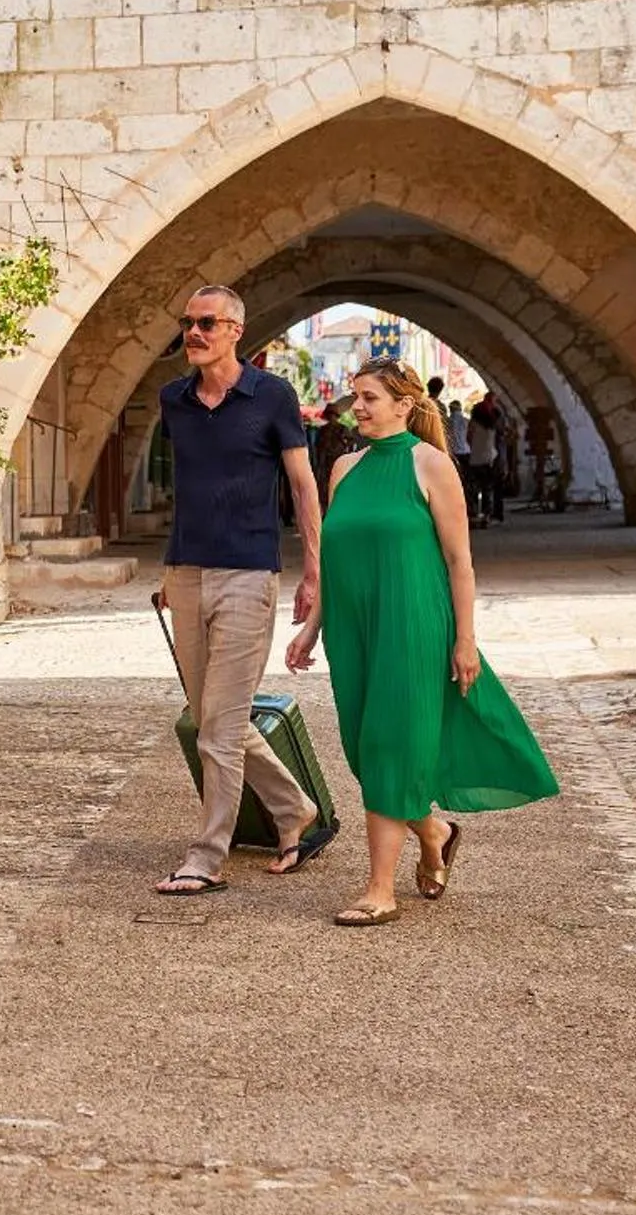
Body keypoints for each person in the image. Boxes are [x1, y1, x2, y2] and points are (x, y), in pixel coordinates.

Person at [284, 360, 559, 927]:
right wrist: (313, 627)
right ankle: (435, 831)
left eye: (370, 398)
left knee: (389, 746)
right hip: (352, 632)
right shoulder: (343, 468)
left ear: (404, 405)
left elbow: (460, 562)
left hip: (413, 626)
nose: (357, 407)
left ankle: (379, 889)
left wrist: (465, 639)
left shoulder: (431, 464)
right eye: (355, 397)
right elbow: (335, 560)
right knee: (364, 750)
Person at [152, 285, 339, 896]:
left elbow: (303, 488)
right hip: (186, 574)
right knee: (214, 718)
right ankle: (294, 810)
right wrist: (168, 572)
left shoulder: (274, 396)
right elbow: (190, 491)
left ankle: (207, 854)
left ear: (236, 329)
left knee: (219, 729)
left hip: (248, 575)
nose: (194, 332)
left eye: (207, 322)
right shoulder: (173, 400)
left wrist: (312, 572)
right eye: (187, 322)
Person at [466, 398, 503, 525]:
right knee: (488, 488)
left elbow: (469, 439)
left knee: (474, 488)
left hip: (475, 459)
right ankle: (487, 515)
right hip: (490, 459)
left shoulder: (473, 424)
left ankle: (475, 513)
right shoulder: (493, 425)